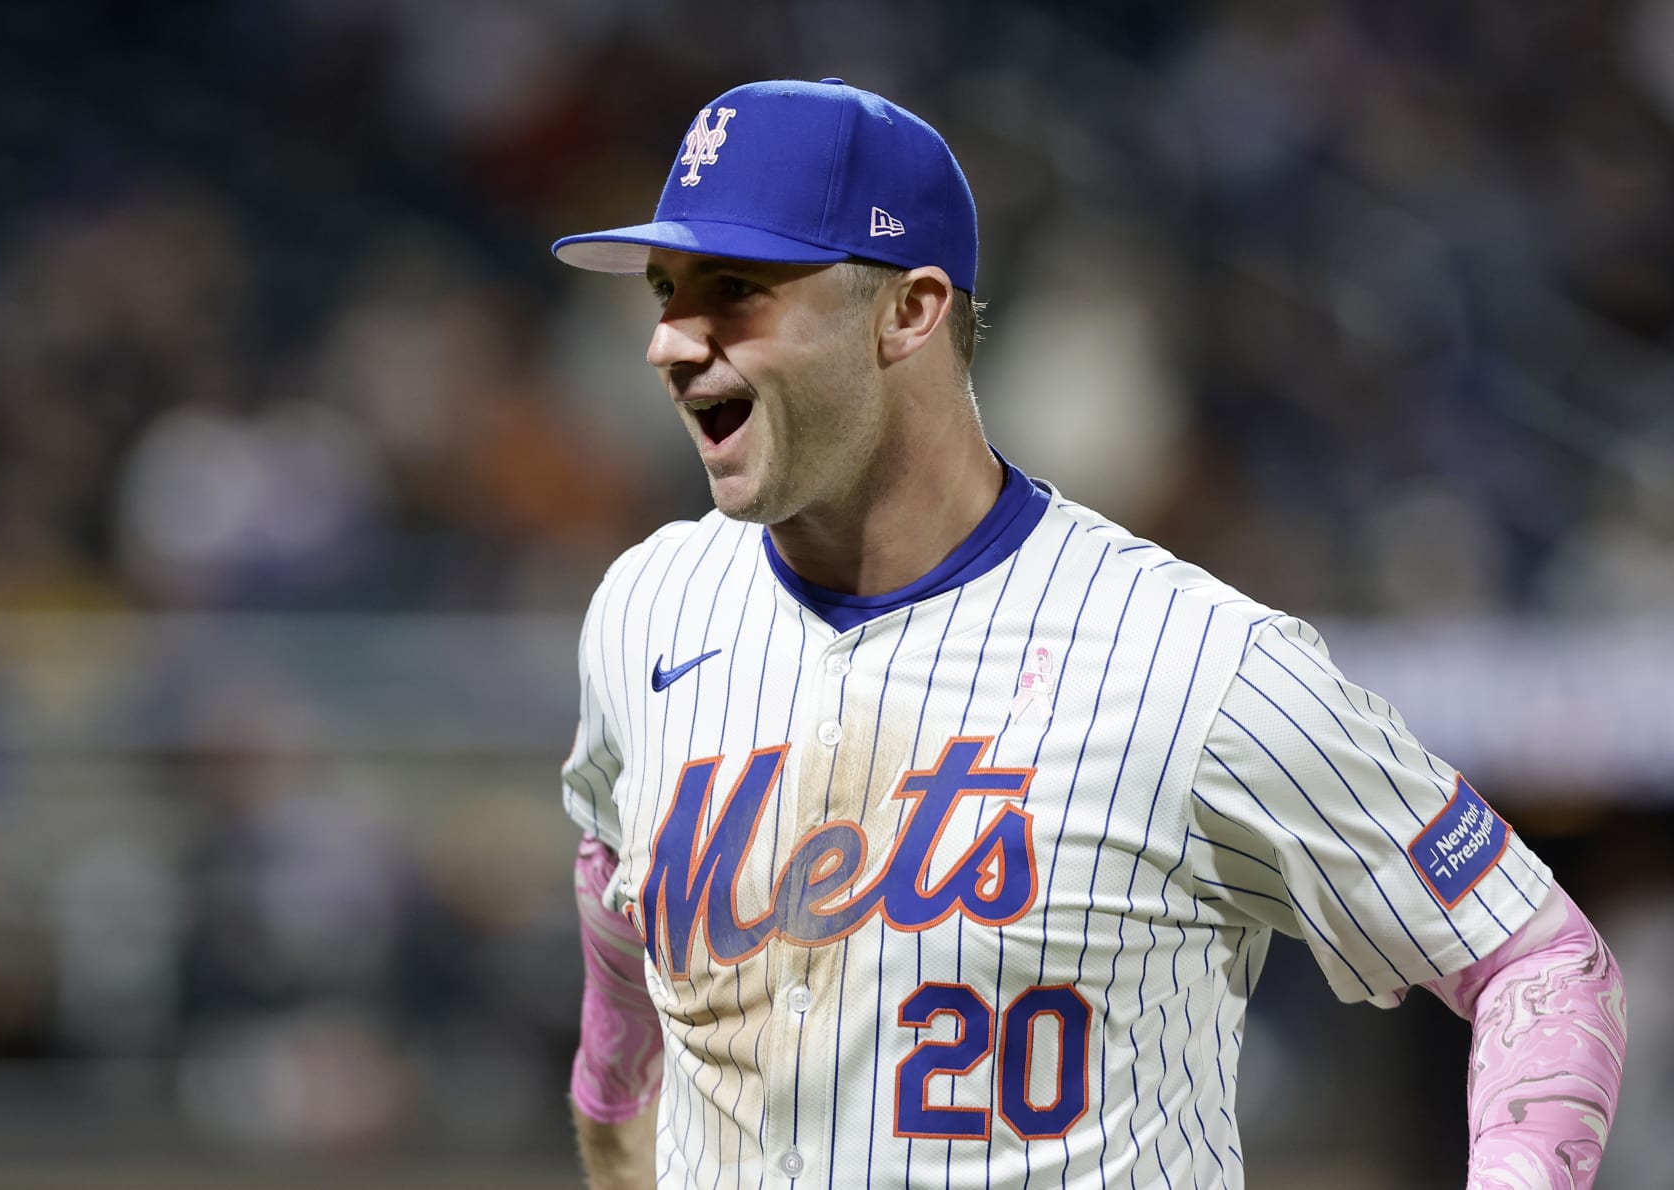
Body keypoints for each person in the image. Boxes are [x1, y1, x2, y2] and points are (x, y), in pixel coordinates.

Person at [549, 78, 1627, 1190]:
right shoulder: (648, 609)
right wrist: (613, 1118)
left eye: (735, 290)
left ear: (909, 311)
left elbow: (1534, 956)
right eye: (669, 291)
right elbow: (611, 903)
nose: (670, 341)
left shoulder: (1194, 661)